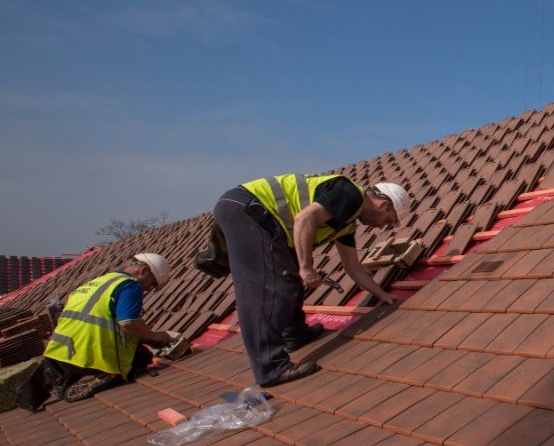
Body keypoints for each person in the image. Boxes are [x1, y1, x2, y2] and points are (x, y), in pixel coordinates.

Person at [213, 173, 409, 387]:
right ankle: (271, 369)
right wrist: (306, 267)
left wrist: (384, 296)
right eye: (387, 221)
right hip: (248, 209)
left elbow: (353, 267)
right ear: (383, 205)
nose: (381, 227)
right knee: (270, 287)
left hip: (257, 214)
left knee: (289, 278)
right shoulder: (350, 194)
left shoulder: (347, 221)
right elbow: (304, 219)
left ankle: (296, 335)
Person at [16, 253, 179, 411]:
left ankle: (31, 398)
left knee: (51, 370)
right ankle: (109, 374)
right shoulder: (130, 284)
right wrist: (155, 336)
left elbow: (98, 321)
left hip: (60, 351)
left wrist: (144, 338)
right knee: (142, 357)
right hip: (92, 353)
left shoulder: (98, 282)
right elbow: (128, 322)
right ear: (143, 271)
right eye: (151, 283)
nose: (148, 289)